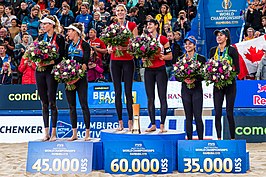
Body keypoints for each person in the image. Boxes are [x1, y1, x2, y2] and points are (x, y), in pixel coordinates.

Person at [107, 4, 138, 131]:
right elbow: (109, 44)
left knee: (128, 92)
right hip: (115, 61)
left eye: (122, 11)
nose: (120, 13)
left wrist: (124, 48)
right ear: (115, 13)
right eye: (118, 11)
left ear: (126, 13)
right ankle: (120, 122)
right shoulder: (111, 27)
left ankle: (130, 121)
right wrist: (110, 48)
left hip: (128, 61)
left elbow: (136, 44)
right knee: (117, 92)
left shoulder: (131, 26)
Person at [37, 15, 65, 141]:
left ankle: (54, 132)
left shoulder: (59, 38)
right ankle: (46, 132)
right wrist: (36, 61)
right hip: (40, 71)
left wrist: (48, 63)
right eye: (43, 24)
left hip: (52, 71)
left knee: (52, 101)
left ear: (52, 25)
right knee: (44, 103)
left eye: (45, 24)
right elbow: (34, 52)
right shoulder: (40, 37)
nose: (43, 26)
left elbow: (61, 56)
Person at [210, 28, 240, 140]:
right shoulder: (213, 51)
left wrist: (227, 73)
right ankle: (218, 138)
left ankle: (232, 139)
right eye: (217, 35)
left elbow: (238, 70)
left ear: (226, 37)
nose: (218, 37)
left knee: (229, 112)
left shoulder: (232, 50)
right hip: (217, 86)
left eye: (221, 35)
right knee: (217, 112)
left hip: (230, 85)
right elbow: (210, 68)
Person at [143, 19, 172, 133]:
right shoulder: (145, 39)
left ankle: (162, 125)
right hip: (148, 70)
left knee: (162, 97)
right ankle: (153, 124)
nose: (148, 25)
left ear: (156, 26)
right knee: (150, 98)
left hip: (160, 70)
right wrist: (143, 58)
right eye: (147, 24)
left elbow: (170, 56)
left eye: (150, 24)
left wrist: (163, 57)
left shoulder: (163, 39)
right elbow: (141, 55)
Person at [65, 23, 91, 141]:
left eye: (70, 31)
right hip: (69, 80)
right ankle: (74, 133)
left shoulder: (85, 45)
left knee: (84, 105)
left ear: (76, 32)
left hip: (80, 79)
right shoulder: (68, 46)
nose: (68, 33)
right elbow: (65, 62)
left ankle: (87, 133)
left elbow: (85, 64)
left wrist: (76, 77)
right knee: (71, 106)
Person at [179, 36, 206, 140]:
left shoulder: (201, 59)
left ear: (194, 45)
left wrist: (195, 79)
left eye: (190, 44)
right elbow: (177, 75)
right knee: (188, 117)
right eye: (186, 44)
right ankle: (189, 140)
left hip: (197, 90)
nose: (187, 46)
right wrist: (184, 79)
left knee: (198, 117)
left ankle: (201, 140)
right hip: (185, 90)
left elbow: (204, 75)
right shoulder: (181, 58)